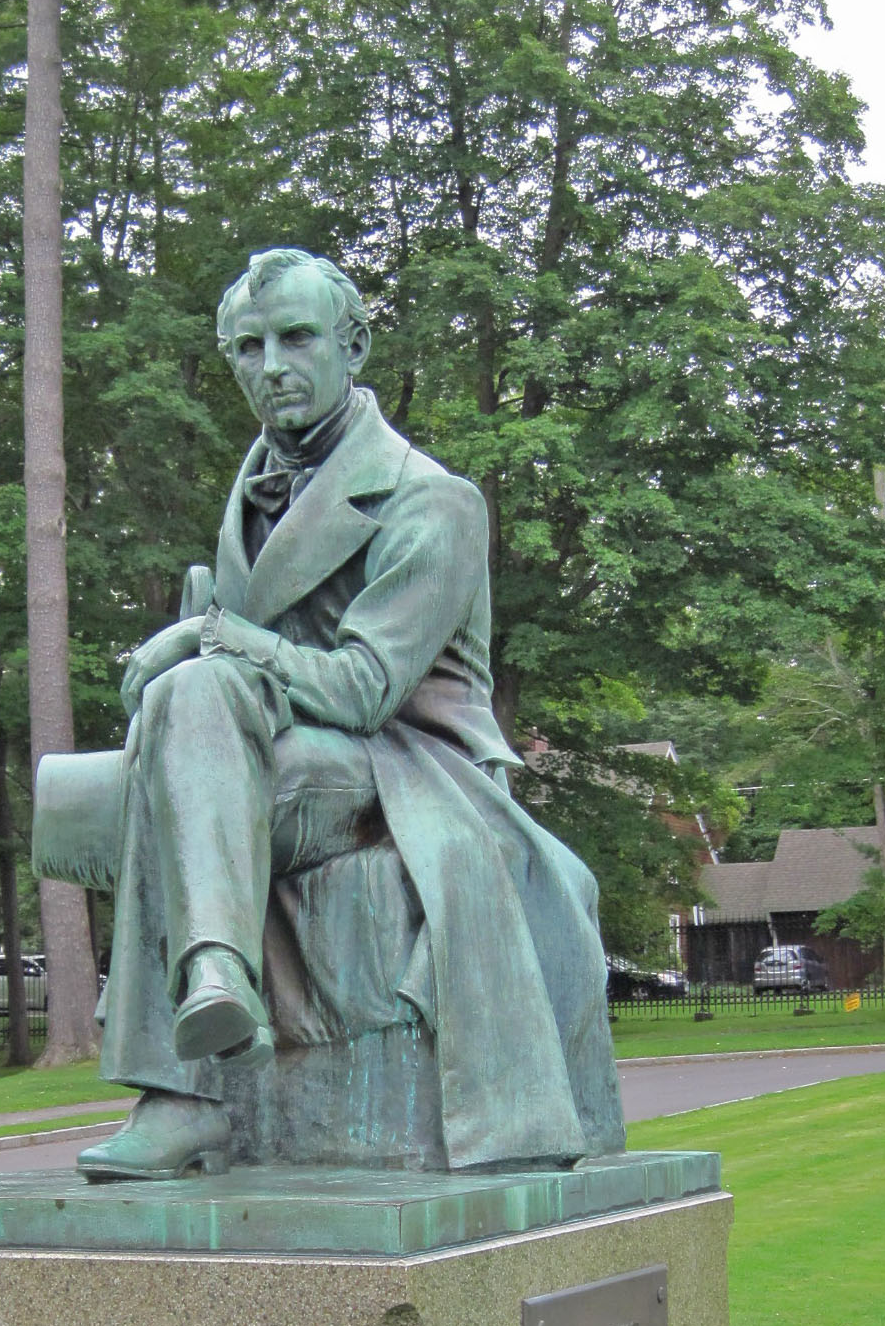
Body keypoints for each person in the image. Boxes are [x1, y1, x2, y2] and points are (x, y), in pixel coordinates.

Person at [60, 248, 623, 1180]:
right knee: (180, 707)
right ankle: (212, 986)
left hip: (406, 768)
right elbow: (236, 653)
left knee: (185, 695)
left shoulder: (433, 500)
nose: (270, 363)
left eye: (295, 337)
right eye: (247, 346)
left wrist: (202, 639)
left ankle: (183, 1075)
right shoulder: (253, 495)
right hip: (282, 753)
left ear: (352, 344)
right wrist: (201, 651)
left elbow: (366, 688)